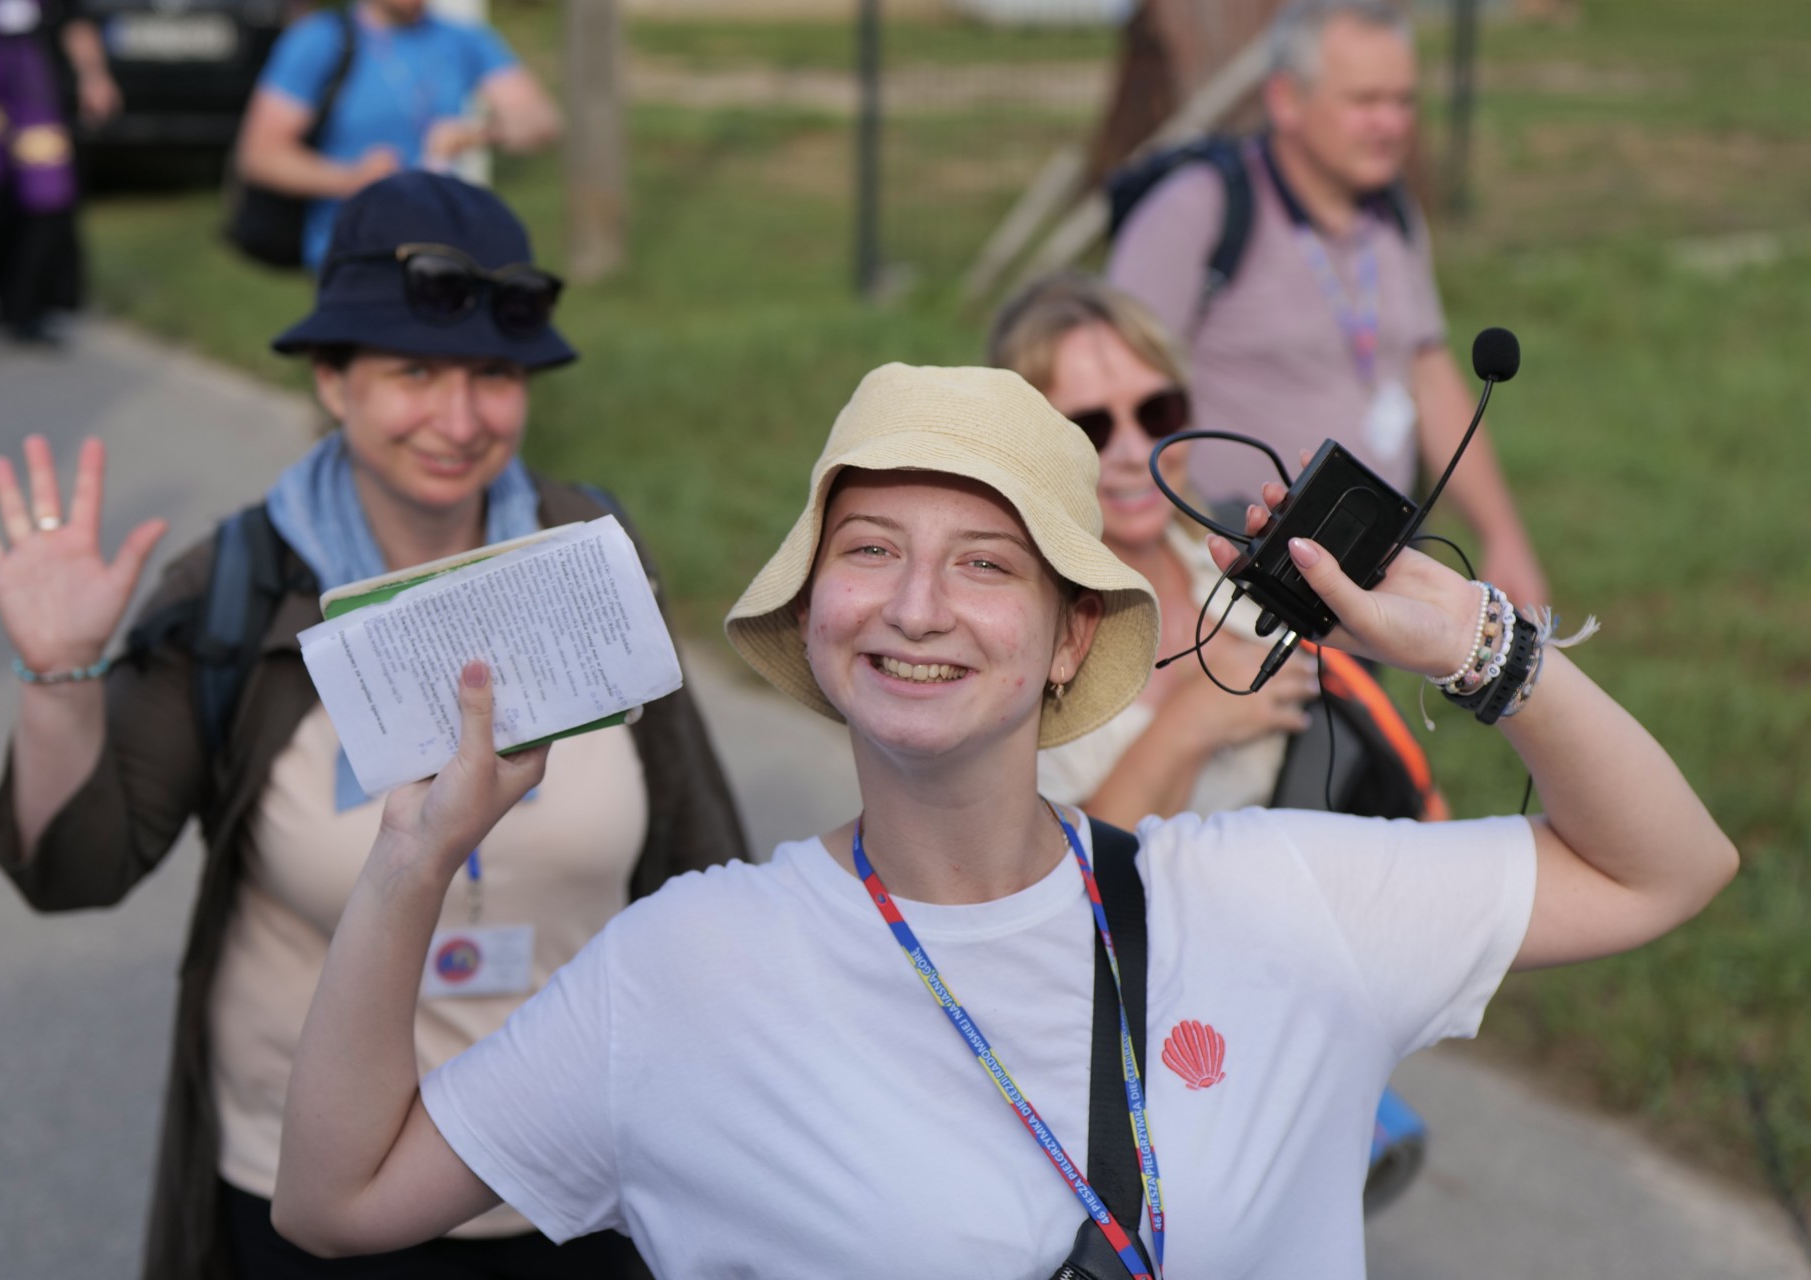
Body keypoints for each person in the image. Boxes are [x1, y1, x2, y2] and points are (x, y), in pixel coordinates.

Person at [270, 361, 1736, 1278]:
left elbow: (1665, 869)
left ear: (1067, 635)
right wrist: (414, 857)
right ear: (816, 615)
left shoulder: (1277, 899)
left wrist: (1478, 642)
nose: (917, 605)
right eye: (869, 550)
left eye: (984, 562)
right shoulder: (688, 967)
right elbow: (339, 1198)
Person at [0, 172, 742, 1279]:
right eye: (414, 371)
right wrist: (58, 676)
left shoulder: (585, 558)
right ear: (331, 379)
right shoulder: (238, 588)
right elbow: (75, 868)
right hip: (308, 1195)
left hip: (579, 1181)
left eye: (493, 375)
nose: (458, 420)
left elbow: (700, 862)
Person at [1108, 0, 1549, 607]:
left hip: (1379, 563)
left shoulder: (1394, 214)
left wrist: (1503, 536)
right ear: (1286, 99)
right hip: (1238, 574)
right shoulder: (1198, 210)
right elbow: (1109, 389)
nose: (1391, 123)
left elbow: (1428, 373)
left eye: (1403, 100)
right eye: (1365, 101)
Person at [990, 270, 1322, 827]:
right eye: (1090, 429)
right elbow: (1063, 867)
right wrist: (1190, 722)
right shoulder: (1016, 645)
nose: (1136, 452)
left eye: (1157, 412)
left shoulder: (1239, 561)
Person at [234, 0, 560, 271]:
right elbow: (260, 155)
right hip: (352, 255)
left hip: (444, 250)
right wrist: (351, 179)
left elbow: (541, 122)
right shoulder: (320, 39)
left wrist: (478, 134)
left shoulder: (461, 39)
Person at [0, 0, 118, 342]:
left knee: (48, 190)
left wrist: (93, 76)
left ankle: (30, 304)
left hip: (34, 78)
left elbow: (74, 20)